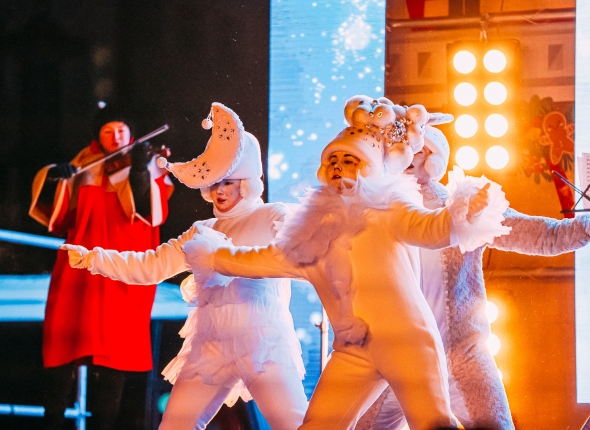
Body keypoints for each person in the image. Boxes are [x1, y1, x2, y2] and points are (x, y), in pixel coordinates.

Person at [180, 96, 512, 430]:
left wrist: (464, 213)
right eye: (333, 160)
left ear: (368, 166)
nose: (339, 165)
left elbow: (431, 228)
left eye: (349, 159)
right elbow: (267, 259)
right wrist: (214, 257)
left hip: (407, 344)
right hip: (353, 350)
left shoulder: (388, 207)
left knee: (432, 423)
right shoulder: (312, 232)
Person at [61, 102, 308, 430]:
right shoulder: (203, 229)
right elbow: (152, 266)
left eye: (228, 182)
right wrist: (94, 258)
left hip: (262, 344)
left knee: (295, 425)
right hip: (211, 345)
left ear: (248, 181)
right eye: (215, 183)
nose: (219, 191)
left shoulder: (273, 215)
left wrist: (225, 260)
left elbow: (297, 257)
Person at [358, 125, 590, 430]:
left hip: (462, 353)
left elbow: (540, 236)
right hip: (393, 355)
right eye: (401, 149)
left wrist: (584, 227)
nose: (410, 156)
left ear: (435, 157)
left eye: (419, 149)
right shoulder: (372, 212)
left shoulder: (465, 204)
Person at [29, 104, 174, 430]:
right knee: (63, 342)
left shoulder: (149, 162)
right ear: (98, 136)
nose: (115, 136)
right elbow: (57, 219)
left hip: (123, 270)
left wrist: (140, 169)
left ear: (131, 133)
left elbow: (150, 214)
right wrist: (55, 178)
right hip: (80, 266)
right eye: (108, 131)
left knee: (114, 353)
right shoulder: (84, 164)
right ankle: (52, 422)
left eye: (121, 130)